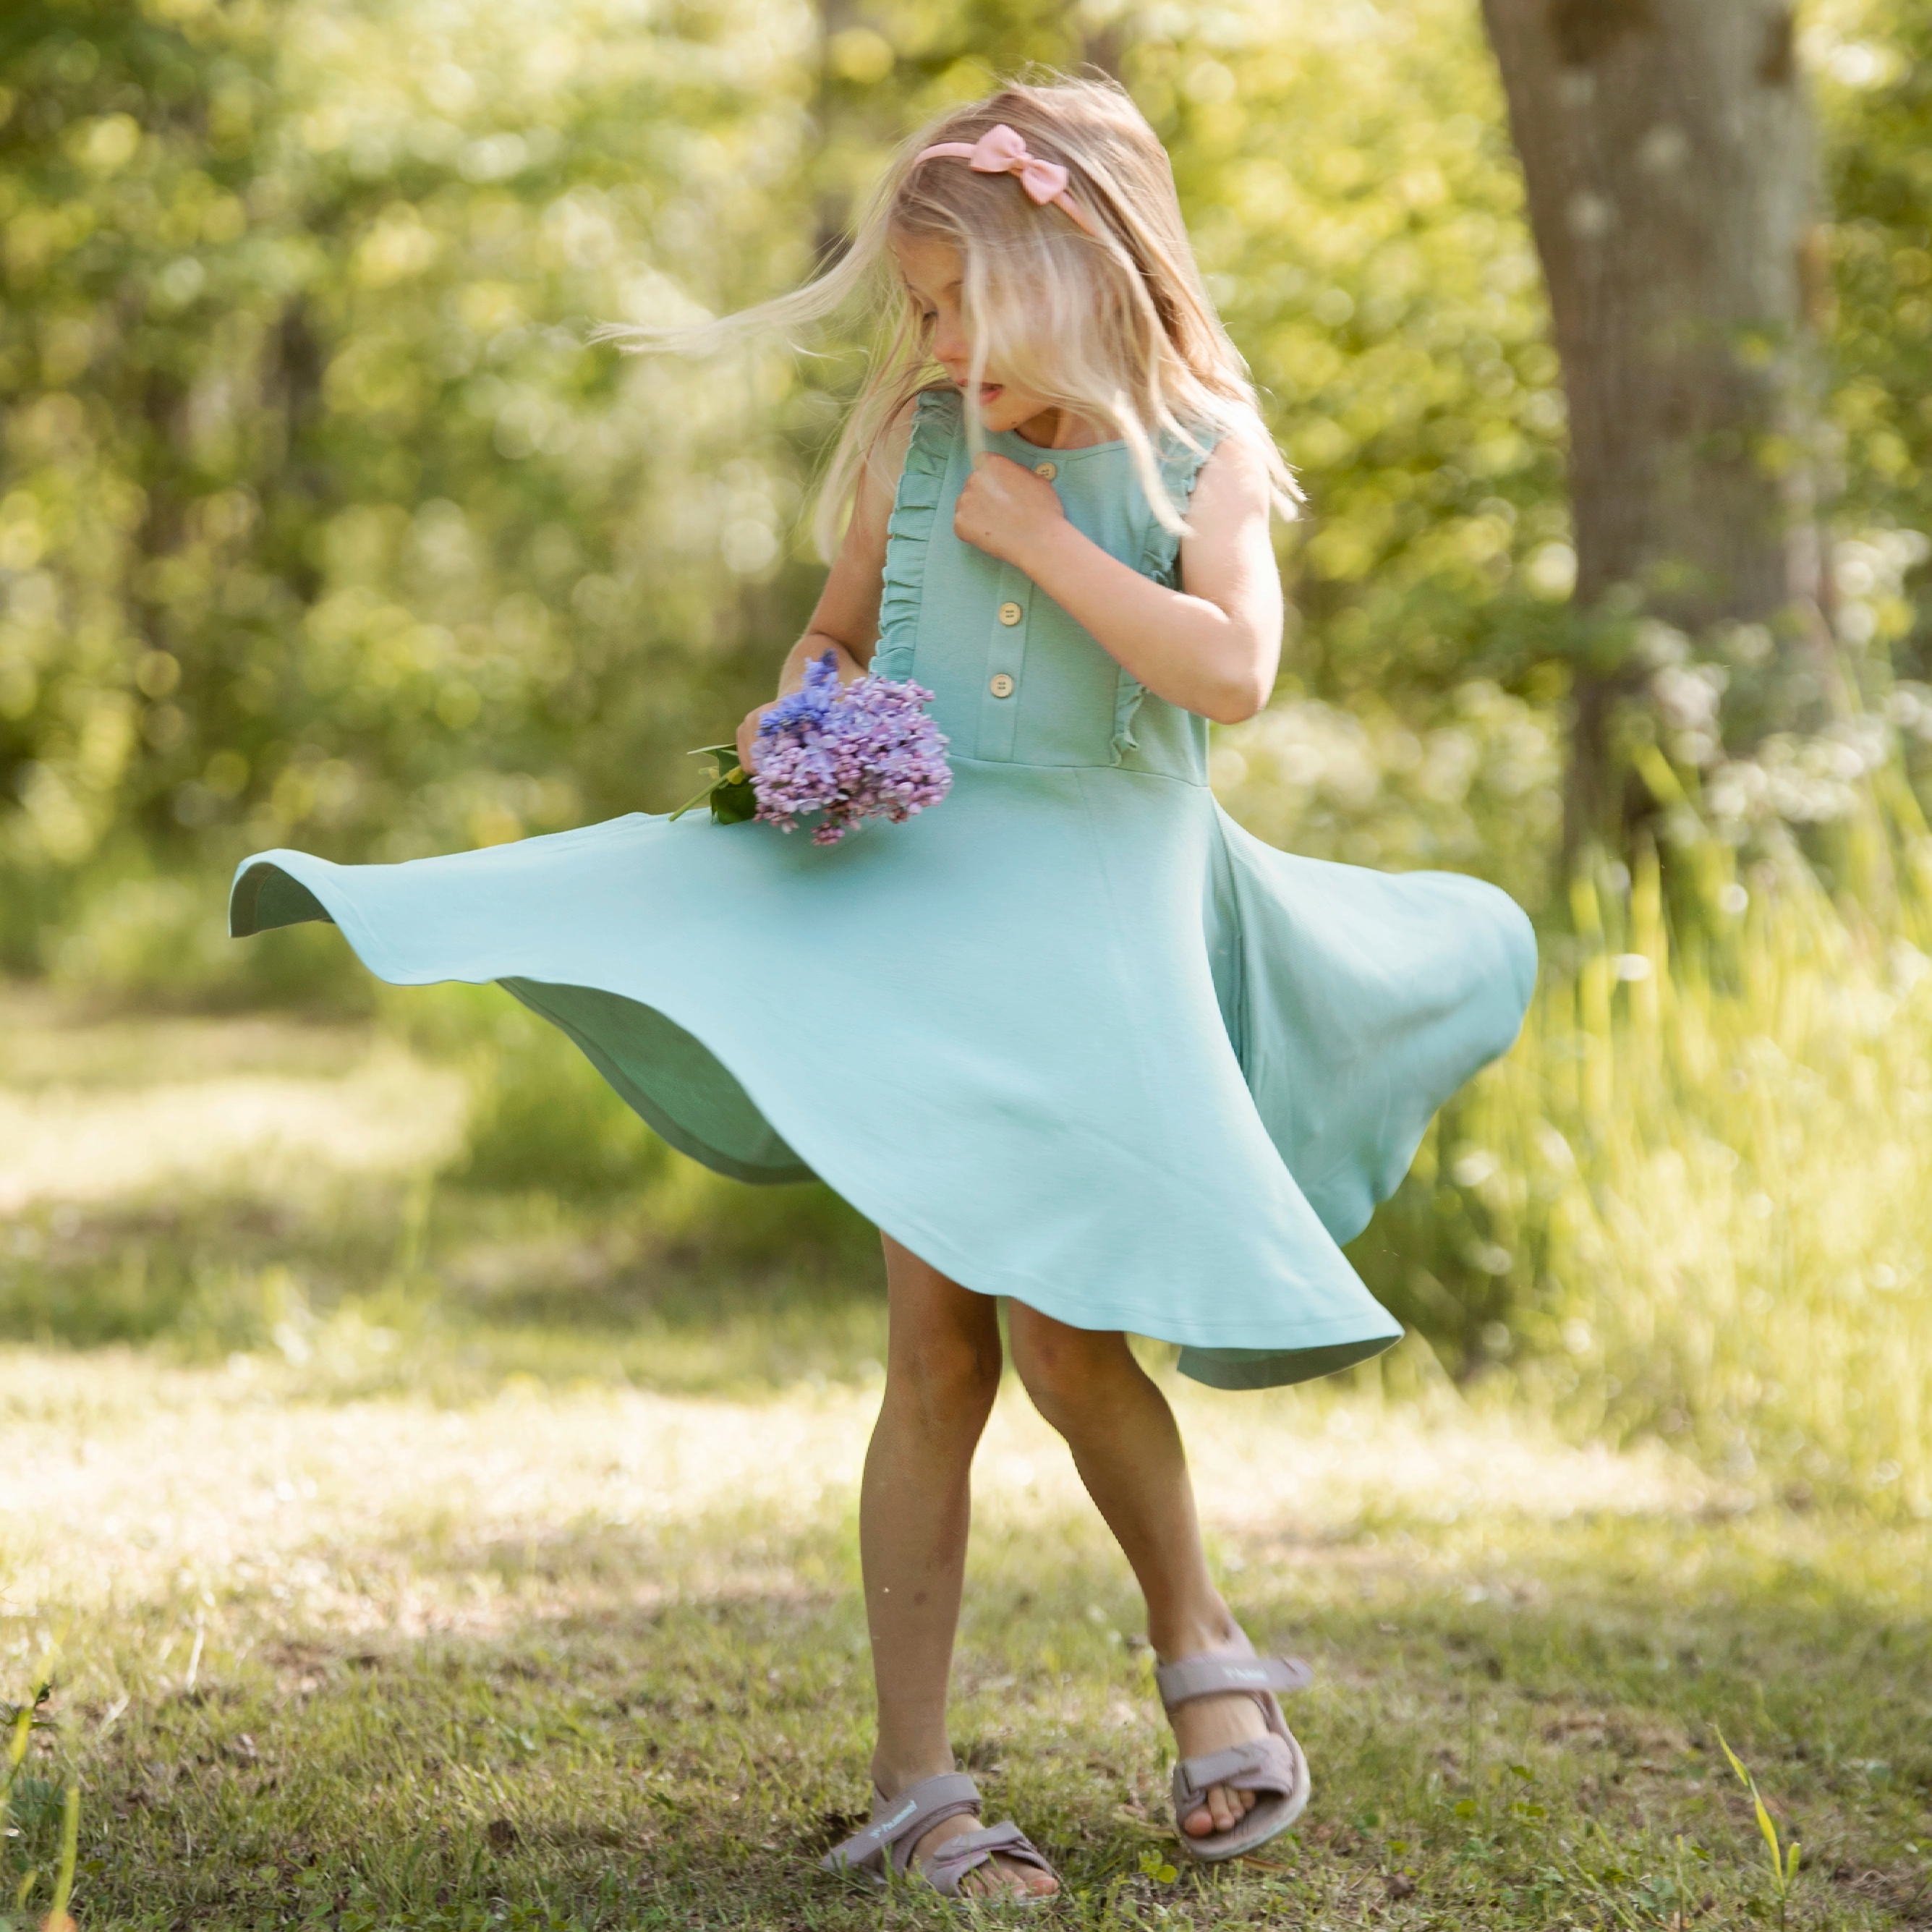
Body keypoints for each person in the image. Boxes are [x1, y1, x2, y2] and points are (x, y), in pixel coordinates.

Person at [229, 75, 1536, 1900]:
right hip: (931, 913)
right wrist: (800, 711)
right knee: (937, 1348)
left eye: (951, 304)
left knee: (1079, 1343)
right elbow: (839, 628)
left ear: (1078, 272)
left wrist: (1050, 545)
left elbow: (1234, 673)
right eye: (919, 310)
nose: (931, 343)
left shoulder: (1201, 446)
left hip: (1097, 911)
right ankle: (916, 1779)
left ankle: (1206, 1658)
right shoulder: (927, 445)